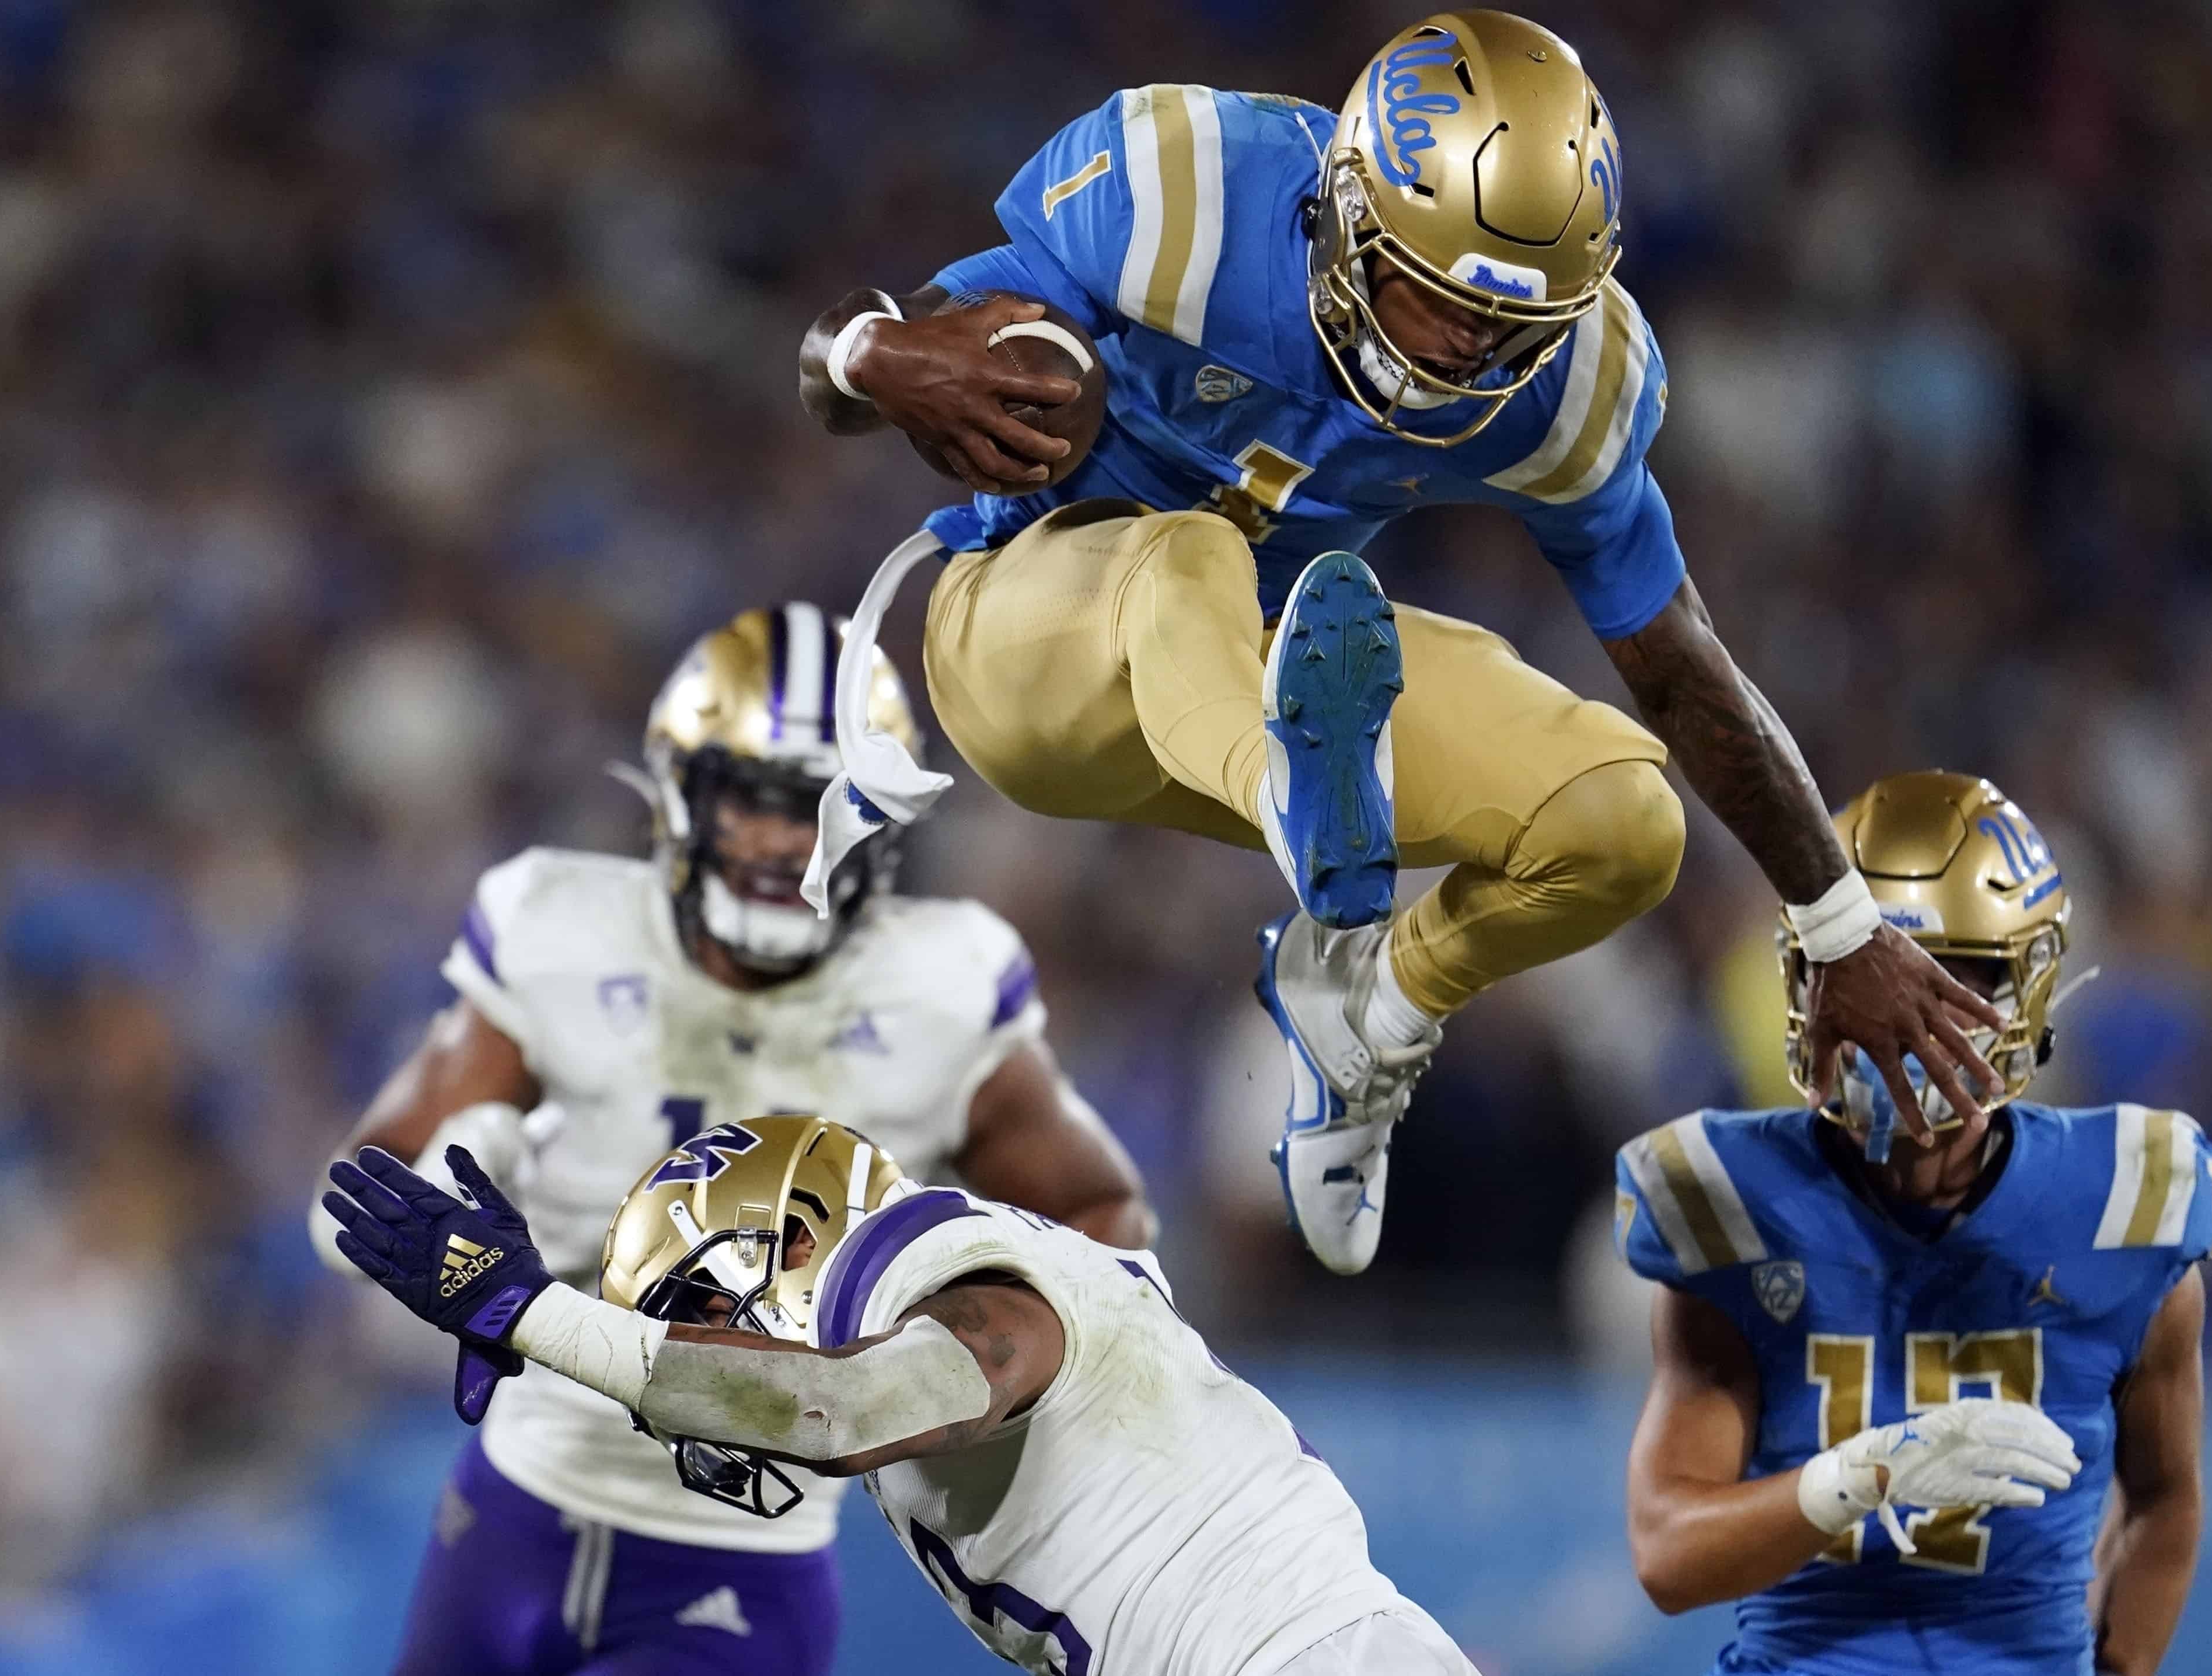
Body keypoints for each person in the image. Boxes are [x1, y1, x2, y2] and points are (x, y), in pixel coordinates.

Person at [790, 11, 2001, 1276]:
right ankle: (1305, 806)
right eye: (1431, 293)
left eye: (1503, 319)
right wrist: (876, 355)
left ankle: (1368, 1009)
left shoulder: (1565, 385)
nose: (1464, 345)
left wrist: (1840, 924)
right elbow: (856, 350)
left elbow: (1678, 663)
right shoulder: (1186, 192)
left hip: (1274, 663)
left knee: (1621, 823)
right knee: (1186, 554)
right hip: (1036, 650)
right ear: (1345, 210)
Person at [308, 604, 1154, 1676]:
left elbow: (1095, 1217)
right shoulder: (560, 926)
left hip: (742, 1549)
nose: (787, 841)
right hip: (513, 1500)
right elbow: (350, 1207)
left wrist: (945, 1358)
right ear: (679, 794)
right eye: (756, 800)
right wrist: (466, 1163)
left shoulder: (940, 985)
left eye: (826, 807)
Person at [322, 1114, 1481, 1676]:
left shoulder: (901, 1253)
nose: (687, 1366)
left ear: (788, 1235)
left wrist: (535, 1315)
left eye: (692, 1312)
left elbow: (843, 1404)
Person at [1616, 771, 2212, 1675]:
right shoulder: (1737, 1203)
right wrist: (1863, 1477)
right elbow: (1667, 1552)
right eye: (1859, 981)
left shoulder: (2125, 1205)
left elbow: (2164, 1501)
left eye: (1946, 981)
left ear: (2025, 994)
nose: (1894, 1021)